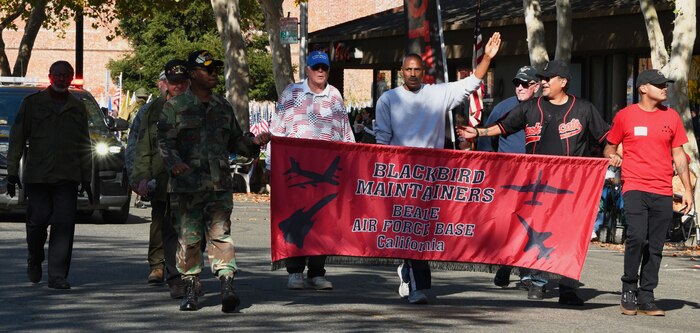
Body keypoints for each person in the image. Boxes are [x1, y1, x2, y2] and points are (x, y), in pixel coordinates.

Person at [458, 59, 610, 306]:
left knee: (569, 237)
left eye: (549, 79)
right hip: (538, 186)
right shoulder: (531, 107)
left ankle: (568, 287)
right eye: (542, 78)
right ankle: (538, 282)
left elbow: (606, 137)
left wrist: (613, 153)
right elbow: (503, 126)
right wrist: (478, 133)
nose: (544, 82)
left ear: (563, 81)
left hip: (573, 187)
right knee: (539, 234)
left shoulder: (583, 109)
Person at [374, 32, 502, 304]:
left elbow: (472, 83)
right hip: (400, 175)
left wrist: (487, 58)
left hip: (432, 177)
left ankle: (408, 271)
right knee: (411, 231)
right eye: (407, 70)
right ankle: (417, 284)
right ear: (401, 72)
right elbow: (382, 140)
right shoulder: (388, 100)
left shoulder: (438, 93)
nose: (412, 74)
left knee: (424, 231)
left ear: (423, 72)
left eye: (416, 70)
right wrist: (381, 171)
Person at [157, 50, 270, 312]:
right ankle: (190, 288)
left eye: (216, 69)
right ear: (193, 73)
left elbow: (236, 141)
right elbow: (165, 143)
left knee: (221, 236)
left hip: (219, 185)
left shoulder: (222, 106)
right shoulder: (175, 107)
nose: (214, 74)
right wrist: (175, 164)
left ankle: (227, 285)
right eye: (208, 69)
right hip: (187, 186)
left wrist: (253, 143)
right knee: (190, 238)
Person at [604, 69, 693, 316]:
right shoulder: (625, 116)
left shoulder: (672, 117)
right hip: (634, 186)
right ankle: (628, 289)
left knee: (655, 245)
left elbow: (679, 156)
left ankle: (647, 296)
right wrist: (613, 157)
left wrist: (688, 190)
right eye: (658, 84)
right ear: (643, 88)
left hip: (663, 189)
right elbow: (609, 147)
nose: (664, 87)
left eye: (665, 84)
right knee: (636, 237)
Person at [265, 50, 355, 292]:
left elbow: (345, 131)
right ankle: (295, 271)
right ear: (307, 70)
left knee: (323, 220)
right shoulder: (292, 93)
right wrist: (271, 165)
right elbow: (277, 130)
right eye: (316, 67)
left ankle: (317, 272)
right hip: (296, 173)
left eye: (324, 68)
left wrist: (353, 159)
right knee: (296, 219)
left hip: (326, 172)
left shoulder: (335, 95)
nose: (320, 72)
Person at [6, 60, 92, 290]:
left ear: (72, 78)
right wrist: (12, 172)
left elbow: (85, 143)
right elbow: (17, 139)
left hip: (67, 176)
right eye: (58, 74)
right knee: (37, 224)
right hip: (38, 177)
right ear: (50, 76)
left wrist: (87, 177)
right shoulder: (32, 104)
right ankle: (34, 258)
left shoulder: (77, 107)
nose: (62, 79)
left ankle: (57, 275)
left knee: (64, 226)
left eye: (67, 75)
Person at [476, 66, 543, 294]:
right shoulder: (503, 108)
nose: (520, 88)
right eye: (517, 83)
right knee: (510, 226)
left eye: (525, 84)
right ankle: (505, 264)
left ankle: (529, 276)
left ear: (537, 86)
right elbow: (486, 142)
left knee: (533, 226)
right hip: (507, 178)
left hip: (537, 179)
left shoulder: (545, 109)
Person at [129, 60, 190, 289]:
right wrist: (139, 176)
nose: (178, 88)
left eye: (183, 83)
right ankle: (159, 265)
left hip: (192, 177)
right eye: (173, 83)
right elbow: (141, 144)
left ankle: (187, 268)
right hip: (162, 176)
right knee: (162, 222)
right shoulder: (152, 109)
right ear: (164, 84)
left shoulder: (198, 105)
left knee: (192, 227)